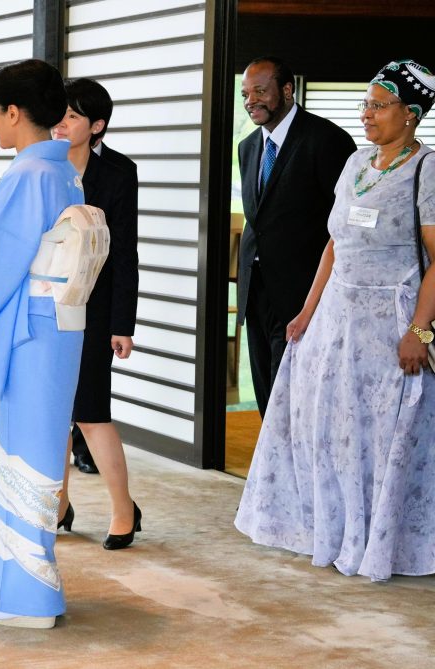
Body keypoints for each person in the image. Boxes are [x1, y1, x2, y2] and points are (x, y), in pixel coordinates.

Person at [235, 59, 435, 582]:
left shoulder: (427, 169)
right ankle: (333, 528)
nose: (366, 114)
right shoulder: (356, 163)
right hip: (335, 318)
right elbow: (333, 244)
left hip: (390, 322)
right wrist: (307, 311)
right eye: (365, 104)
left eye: (379, 106)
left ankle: (381, 541)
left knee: (381, 435)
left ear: (410, 114)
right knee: (330, 428)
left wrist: (419, 330)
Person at [0, 59, 84, 629]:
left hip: (28, 331)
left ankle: (22, 597)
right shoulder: (63, 170)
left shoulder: (28, 174)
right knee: (39, 445)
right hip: (59, 328)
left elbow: (0, 264)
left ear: (13, 112)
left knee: (18, 449)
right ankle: (33, 582)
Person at [237, 56, 356, 416]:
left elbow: (344, 224)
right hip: (256, 287)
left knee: (294, 393)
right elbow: (259, 219)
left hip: (304, 290)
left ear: (287, 90)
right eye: (245, 94)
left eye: (260, 91)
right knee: (265, 386)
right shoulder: (248, 147)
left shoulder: (327, 140)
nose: (251, 101)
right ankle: (270, 453)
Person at [52, 78, 141, 549]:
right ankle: (59, 503)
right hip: (47, 304)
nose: (61, 123)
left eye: (72, 116)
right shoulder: (43, 165)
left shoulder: (119, 172)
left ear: (97, 125)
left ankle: (124, 509)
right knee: (54, 411)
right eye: (59, 114)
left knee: (89, 411)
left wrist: (123, 324)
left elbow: (125, 252)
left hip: (96, 307)